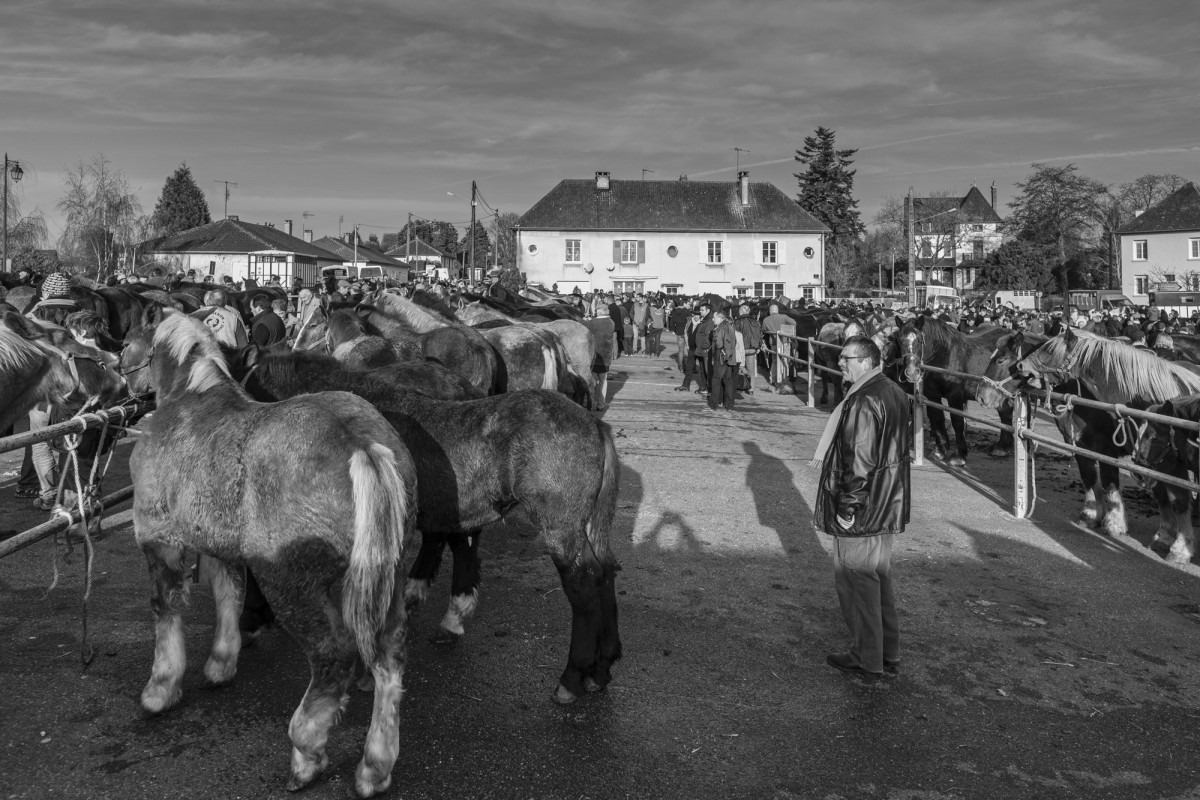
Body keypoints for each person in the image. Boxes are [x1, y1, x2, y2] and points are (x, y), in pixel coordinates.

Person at [812, 336, 911, 678]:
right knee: (877, 580)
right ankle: (887, 652)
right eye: (840, 359)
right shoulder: (893, 390)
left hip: (864, 506)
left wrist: (848, 507)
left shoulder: (864, 400)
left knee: (855, 581)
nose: (840, 364)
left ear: (866, 362)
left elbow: (861, 459)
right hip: (885, 502)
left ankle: (866, 656)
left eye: (846, 359)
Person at [708, 305, 737, 413]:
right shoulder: (730, 326)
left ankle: (714, 402)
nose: (712, 319)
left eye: (714, 318)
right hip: (730, 356)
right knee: (728, 380)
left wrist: (719, 350)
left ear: (720, 318)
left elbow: (719, 342)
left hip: (721, 356)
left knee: (716, 379)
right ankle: (729, 404)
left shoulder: (720, 327)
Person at [733, 303, 763, 394]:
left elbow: (735, 335)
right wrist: (759, 346)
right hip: (752, 348)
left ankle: (740, 386)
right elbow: (759, 334)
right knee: (751, 369)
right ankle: (751, 389)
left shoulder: (738, 322)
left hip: (741, 348)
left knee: (739, 367)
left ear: (741, 311)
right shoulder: (755, 321)